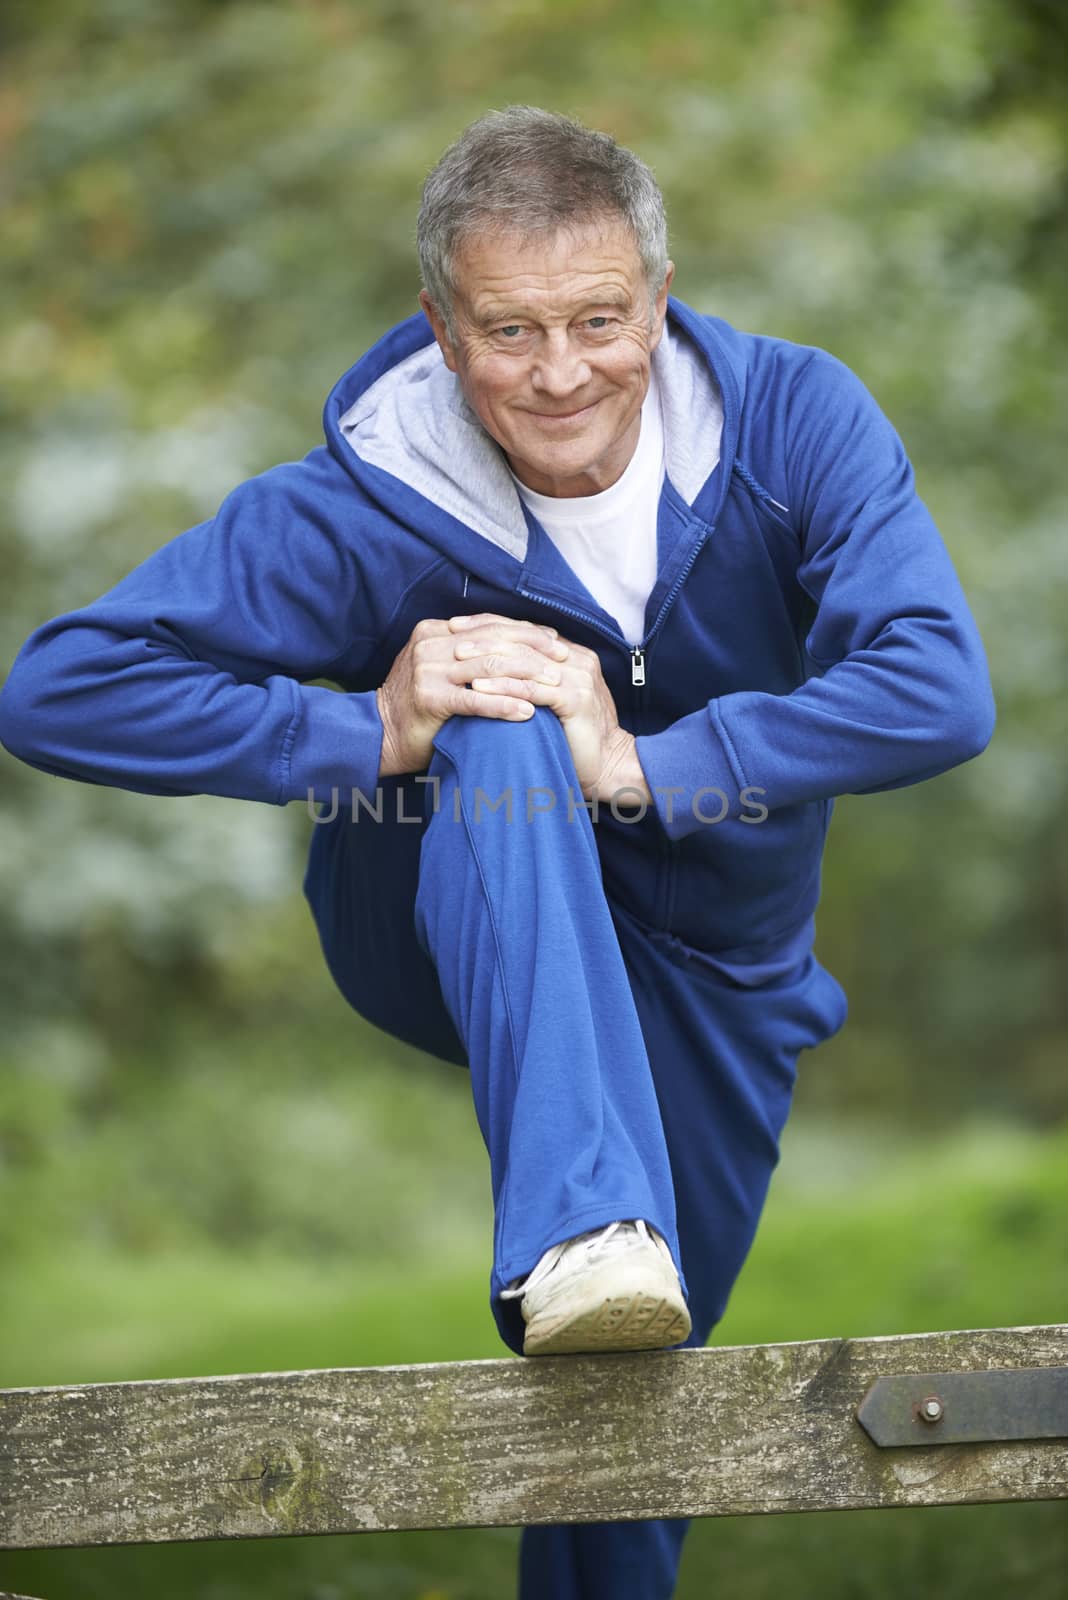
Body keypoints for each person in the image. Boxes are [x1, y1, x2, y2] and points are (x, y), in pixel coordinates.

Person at [0, 105, 995, 1598]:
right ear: (441, 328)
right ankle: (580, 1215)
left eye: (599, 319)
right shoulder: (365, 500)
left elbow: (938, 684)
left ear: (660, 301)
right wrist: (371, 730)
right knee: (501, 690)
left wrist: (651, 765)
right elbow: (63, 685)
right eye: (509, 329)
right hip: (437, 907)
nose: (560, 369)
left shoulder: (796, 426)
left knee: (628, 1417)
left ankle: (595, 1266)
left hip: (717, 968)